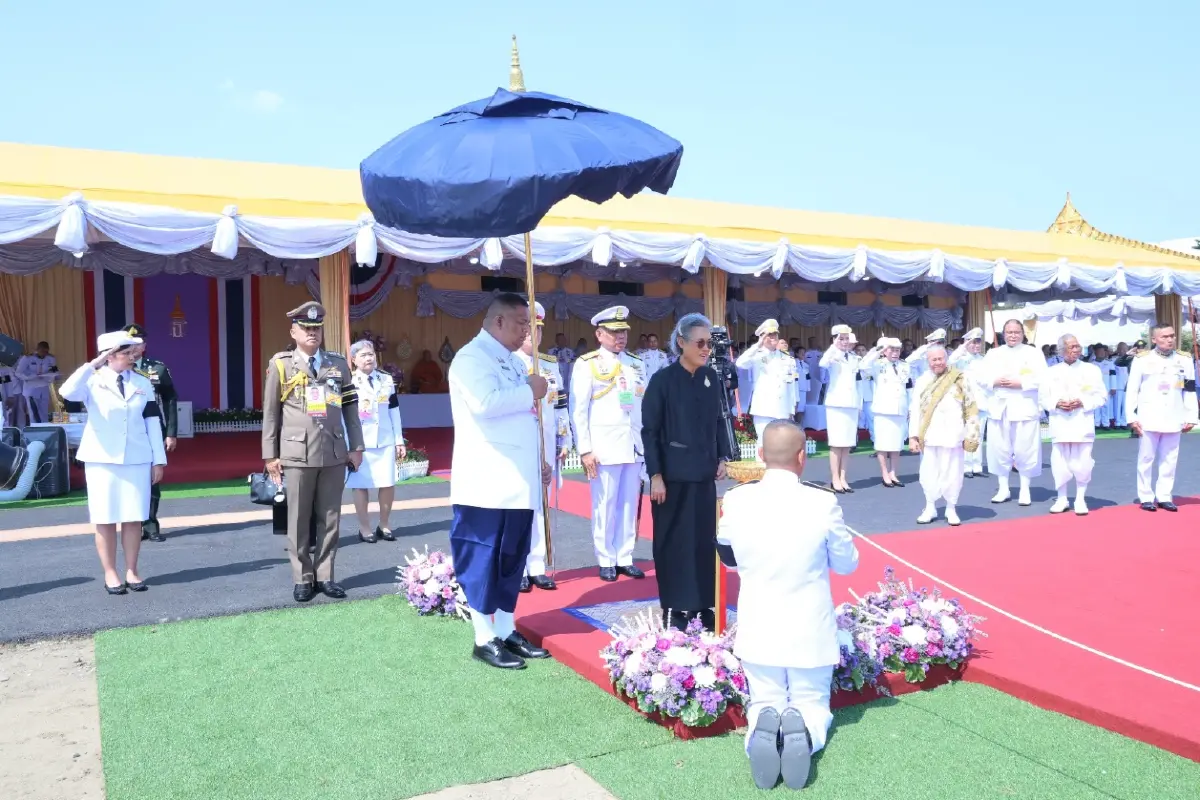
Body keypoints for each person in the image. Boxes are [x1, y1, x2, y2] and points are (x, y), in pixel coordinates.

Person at [716, 421, 859, 791]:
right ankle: (806, 735)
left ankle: (761, 729)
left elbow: (727, 558)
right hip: (809, 629)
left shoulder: (736, 499)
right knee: (812, 703)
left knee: (764, 698)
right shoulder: (823, 501)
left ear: (760, 456)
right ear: (801, 458)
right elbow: (847, 564)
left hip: (759, 627)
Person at [447, 293, 553, 669]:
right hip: (486, 482)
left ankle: (506, 629)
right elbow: (485, 404)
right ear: (498, 322)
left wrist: (536, 461)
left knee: (512, 559)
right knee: (482, 557)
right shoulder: (471, 358)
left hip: (516, 480)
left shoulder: (509, 361)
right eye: (522, 323)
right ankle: (483, 636)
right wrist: (530, 390)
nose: (528, 330)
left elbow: (522, 419)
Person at [262, 301, 365, 603]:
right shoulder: (281, 364)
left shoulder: (338, 364)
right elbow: (270, 413)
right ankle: (302, 577)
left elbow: (350, 408)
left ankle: (325, 575)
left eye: (316, 328)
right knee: (297, 517)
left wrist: (356, 446)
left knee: (330, 517)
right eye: (306, 328)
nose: (312, 333)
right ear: (293, 331)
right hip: (296, 452)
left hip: (333, 450)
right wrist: (270, 454)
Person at [642, 313, 733, 631]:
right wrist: (655, 474)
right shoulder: (662, 381)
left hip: (703, 474)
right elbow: (650, 431)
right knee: (672, 543)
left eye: (710, 343)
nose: (707, 348)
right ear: (681, 342)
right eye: (700, 342)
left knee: (703, 542)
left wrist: (722, 455)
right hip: (670, 477)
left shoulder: (711, 378)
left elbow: (720, 419)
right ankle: (675, 607)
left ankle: (703, 604)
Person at [60, 330, 167, 594]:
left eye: (133, 351)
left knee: (133, 517)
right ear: (109, 356)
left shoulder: (142, 383)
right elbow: (66, 391)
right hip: (101, 459)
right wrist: (93, 364)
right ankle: (110, 573)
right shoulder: (91, 380)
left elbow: (152, 421)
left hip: (137, 457)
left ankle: (132, 570)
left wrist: (158, 460)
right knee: (105, 518)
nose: (133, 356)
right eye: (126, 352)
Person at [570, 305, 648, 582]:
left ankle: (625, 556)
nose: (620, 337)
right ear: (599, 334)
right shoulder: (587, 364)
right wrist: (586, 449)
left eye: (623, 332)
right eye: (614, 332)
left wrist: (645, 445)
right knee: (604, 504)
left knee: (629, 504)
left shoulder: (636, 364)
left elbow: (642, 406)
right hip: (603, 447)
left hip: (633, 445)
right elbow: (578, 410)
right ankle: (606, 559)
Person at [516, 301, 572, 592]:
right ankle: (518, 566)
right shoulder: (508, 362)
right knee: (520, 505)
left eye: (537, 329)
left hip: (547, 445)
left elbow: (560, 405)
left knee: (541, 504)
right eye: (527, 329)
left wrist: (564, 439)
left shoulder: (549, 364)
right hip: (517, 445)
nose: (532, 334)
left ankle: (536, 565)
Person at [1124, 323, 1198, 512]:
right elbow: (1132, 390)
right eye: (1164, 336)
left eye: (1172, 336)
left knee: (1170, 458)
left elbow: (1188, 390)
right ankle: (1146, 496)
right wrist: (1131, 417)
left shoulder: (1184, 359)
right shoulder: (1142, 359)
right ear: (1154, 339)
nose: (1169, 339)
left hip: (1174, 414)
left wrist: (1191, 415)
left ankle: (1164, 495)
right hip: (1148, 416)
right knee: (1146, 458)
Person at [908, 346, 980, 526]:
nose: (938, 362)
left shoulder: (959, 378)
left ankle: (951, 508)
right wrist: (913, 436)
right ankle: (930, 507)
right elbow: (915, 409)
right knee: (929, 472)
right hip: (930, 435)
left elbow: (970, 407)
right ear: (928, 361)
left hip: (954, 435)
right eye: (934, 359)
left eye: (941, 358)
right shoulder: (922, 380)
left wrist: (971, 434)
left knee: (953, 473)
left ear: (946, 359)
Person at [122, 323, 179, 543]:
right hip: (124, 431)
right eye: (129, 344)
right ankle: (130, 524)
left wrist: (171, 432)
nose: (134, 348)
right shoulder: (113, 368)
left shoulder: (157, 368)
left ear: (144, 345)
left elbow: (170, 398)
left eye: (138, 344)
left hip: (151, 429)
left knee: (152, 477)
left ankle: (150, 524)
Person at [981, 319, 1047, 505]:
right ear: (1003, 333)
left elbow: (1043, 379)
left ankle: (1025, 489)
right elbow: (980, 377)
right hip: (999, 409)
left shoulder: (1033, 353)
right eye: (1009, 332)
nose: (1012, 335)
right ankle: (1003, 488)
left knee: (1025, 449)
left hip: (1024, 408)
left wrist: (1022, 384)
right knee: (999, 449)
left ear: (1022, 333)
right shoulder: (993, 353)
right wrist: (994, 381)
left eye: (1016, 332)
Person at [1039, 334, 1106, 515]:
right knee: (1060, 462)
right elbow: (1043, 398)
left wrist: (1082, 402)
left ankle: (1080, 498)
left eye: (1078, 346)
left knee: (1083, 462)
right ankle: (1061, 499)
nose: (1076, 350)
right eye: (1071, 347)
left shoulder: (1092, 370)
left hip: (1082, 423)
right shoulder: (1050, 372)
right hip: (1060, 423)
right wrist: (1057, 403)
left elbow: (1101, 396)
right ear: (1061, 350)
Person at [346, 339, 404, 542]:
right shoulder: (349, 382)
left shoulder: (386, 380)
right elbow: (345, 415)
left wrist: (399, 440)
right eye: (363, 355)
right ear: (353, 360)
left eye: (371, 354)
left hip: (385, 439)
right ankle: (364, 528)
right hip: (360, 443)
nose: (369, 358)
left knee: (387, 483)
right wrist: (348, 444)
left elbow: (394, 411)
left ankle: (385, 525)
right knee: (360, 485)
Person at [735, 319, 794, 450]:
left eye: (775, 334)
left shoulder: (786, 358)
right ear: (762, 337)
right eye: (769, 335)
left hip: (782, 408)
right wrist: (758, 345)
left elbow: (790, 386)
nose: (773, 337)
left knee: (781, 446)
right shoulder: (756, 355)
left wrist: (791, 409)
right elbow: (740, 363)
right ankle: (761, 471)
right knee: (763, 445)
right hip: (764, 408)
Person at [859, 337, 909, 487]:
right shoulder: (877, 364)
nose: (895, 353)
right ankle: (885, 473)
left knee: (897, 444)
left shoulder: (904, 365)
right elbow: (863, 366)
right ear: (885, 351)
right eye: (892, 349)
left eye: (897, 350)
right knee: (883, 444)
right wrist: (877, 351)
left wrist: (909, 408)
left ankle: (893, 473)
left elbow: (908, 387)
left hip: (900, 408)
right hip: (883, 409)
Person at [819, 325, 861, 493]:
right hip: (836, 404)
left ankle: (843, 477)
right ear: (835, 339)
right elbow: (822, 364)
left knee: (847, 444)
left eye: (846, 338)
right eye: (840, 338)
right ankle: (834, 478)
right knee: (836, 444)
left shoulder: (853, 357)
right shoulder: (831, 355)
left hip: (851, 403)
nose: (844, 342)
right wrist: (834, 346)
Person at [948, 328, 988, 477]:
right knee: (966, 434)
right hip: (966, 402)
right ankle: (966, 466)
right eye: (973, 342)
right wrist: (963, 346)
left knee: (979, 434)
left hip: (981, 402)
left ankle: (977, 466)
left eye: (978, 342)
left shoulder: (983, 359)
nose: (977, 345)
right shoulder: (960, 359)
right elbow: (949, 361)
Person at [16, 341, 58, 423]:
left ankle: (45, 430)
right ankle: (34, 431)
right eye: (42, 351)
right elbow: (18, 373)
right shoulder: (27, 358)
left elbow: (54, 370)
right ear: (37, 349)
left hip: (44, 387)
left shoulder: (51, 358)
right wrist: (29, 377)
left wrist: (52, 376)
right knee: (33, 413)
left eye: (46, 352)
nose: (44, 354)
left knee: (44, 412)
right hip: (31, 388)